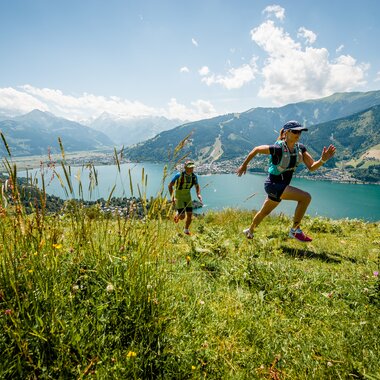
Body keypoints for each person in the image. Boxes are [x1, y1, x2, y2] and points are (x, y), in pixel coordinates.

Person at [236, 120, 336, 242]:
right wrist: (244, 165)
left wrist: (322, 160)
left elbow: (312, 167)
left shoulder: (301, 149)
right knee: (305, 197)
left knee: (264, 212)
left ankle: (250, 231)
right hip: (273, 184)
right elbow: (256, 149)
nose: (298, 134)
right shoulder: (277, 148)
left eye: (300, 132)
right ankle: (295, 230)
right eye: (295, 131)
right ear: (286, 132)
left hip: (281, 186)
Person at [168, 160, 203, 235]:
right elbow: (170, 185)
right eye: (189, 168)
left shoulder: (194, 177)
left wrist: (198, 194)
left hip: (187, 196)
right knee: (182, 217)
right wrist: (172, 197)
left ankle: (186, 230)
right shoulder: (179, 175)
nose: (191, 169)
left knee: (190, 214)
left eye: (192, 168)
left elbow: (197, 186)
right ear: (185, 167)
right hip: (179, 196)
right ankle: (178, 214)